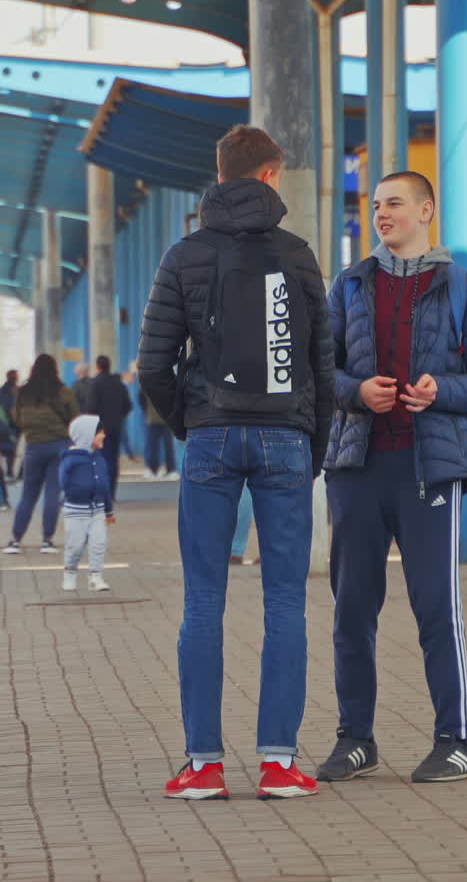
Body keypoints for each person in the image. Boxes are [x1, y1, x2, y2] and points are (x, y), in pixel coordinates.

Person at [138, 123, 334, 801]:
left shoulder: (183, 254)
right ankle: (279, 766)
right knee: (286, 602)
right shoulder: (299, 255)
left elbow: (152, 364)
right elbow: (322, 364)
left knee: (203, 603)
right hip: (284, 438)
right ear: (272, 176)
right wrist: (313, 445)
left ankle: (204, 766)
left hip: (211, 440)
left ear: (219, 176)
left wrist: (192, 421)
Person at [317, 171, 467, 785]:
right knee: (351, 609)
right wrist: (356, 392)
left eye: (393, 203)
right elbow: (321, 373)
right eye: (375, 205)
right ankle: (355, 739)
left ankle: (457, 739)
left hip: (430, 469)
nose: (381, 214)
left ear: (426, 210)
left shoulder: (464, 289)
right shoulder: (349, 286)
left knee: (437, 607)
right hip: (357, 466)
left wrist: (442, 390)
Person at [3, 353, 79, 555]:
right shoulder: (63, 392)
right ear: (55, 369)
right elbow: (75, 418)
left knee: (28, 494)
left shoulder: (23, 393)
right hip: (59, 447)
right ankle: (47, 540)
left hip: (34, 447)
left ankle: (15, 540)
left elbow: (18, 420)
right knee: (52, 494)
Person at [60, 414, 115, 593]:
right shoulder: (71, 460)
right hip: (76, 511)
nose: (104, 435)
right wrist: (77, 491)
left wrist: (108, 510)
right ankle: (70, 572)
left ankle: (96, 576)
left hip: (97, 511)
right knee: (75, 545)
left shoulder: (99, 459)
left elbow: (105, 487)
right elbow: (64, 483)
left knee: (99, 543)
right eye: (100, 432)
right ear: (87, 435)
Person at [86, 355, 132, 500]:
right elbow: (128, 406)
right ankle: (111, 494)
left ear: (98, 366)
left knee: (100, 459)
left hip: (99, 429)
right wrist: (118, 417)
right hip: (116, 428)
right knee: (113, 461)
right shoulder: (118, 384)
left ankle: (101, 493)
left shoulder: (95, 384)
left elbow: (91, 407)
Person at [141, 390, 178, 481]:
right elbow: (141, 399)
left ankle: (165, 470)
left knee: (160, 445)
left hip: (160, 418)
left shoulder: (147, 379)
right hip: (161, 418)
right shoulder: (166, 380)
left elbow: (141, 399)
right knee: (157, 445)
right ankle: (157, 469)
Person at [0, 369, 21, 480]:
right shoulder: (17, 391)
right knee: (12, 449)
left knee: (1, 448)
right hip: (14, 425)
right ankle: (9, 472)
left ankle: (2, 472)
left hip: (1, 424)